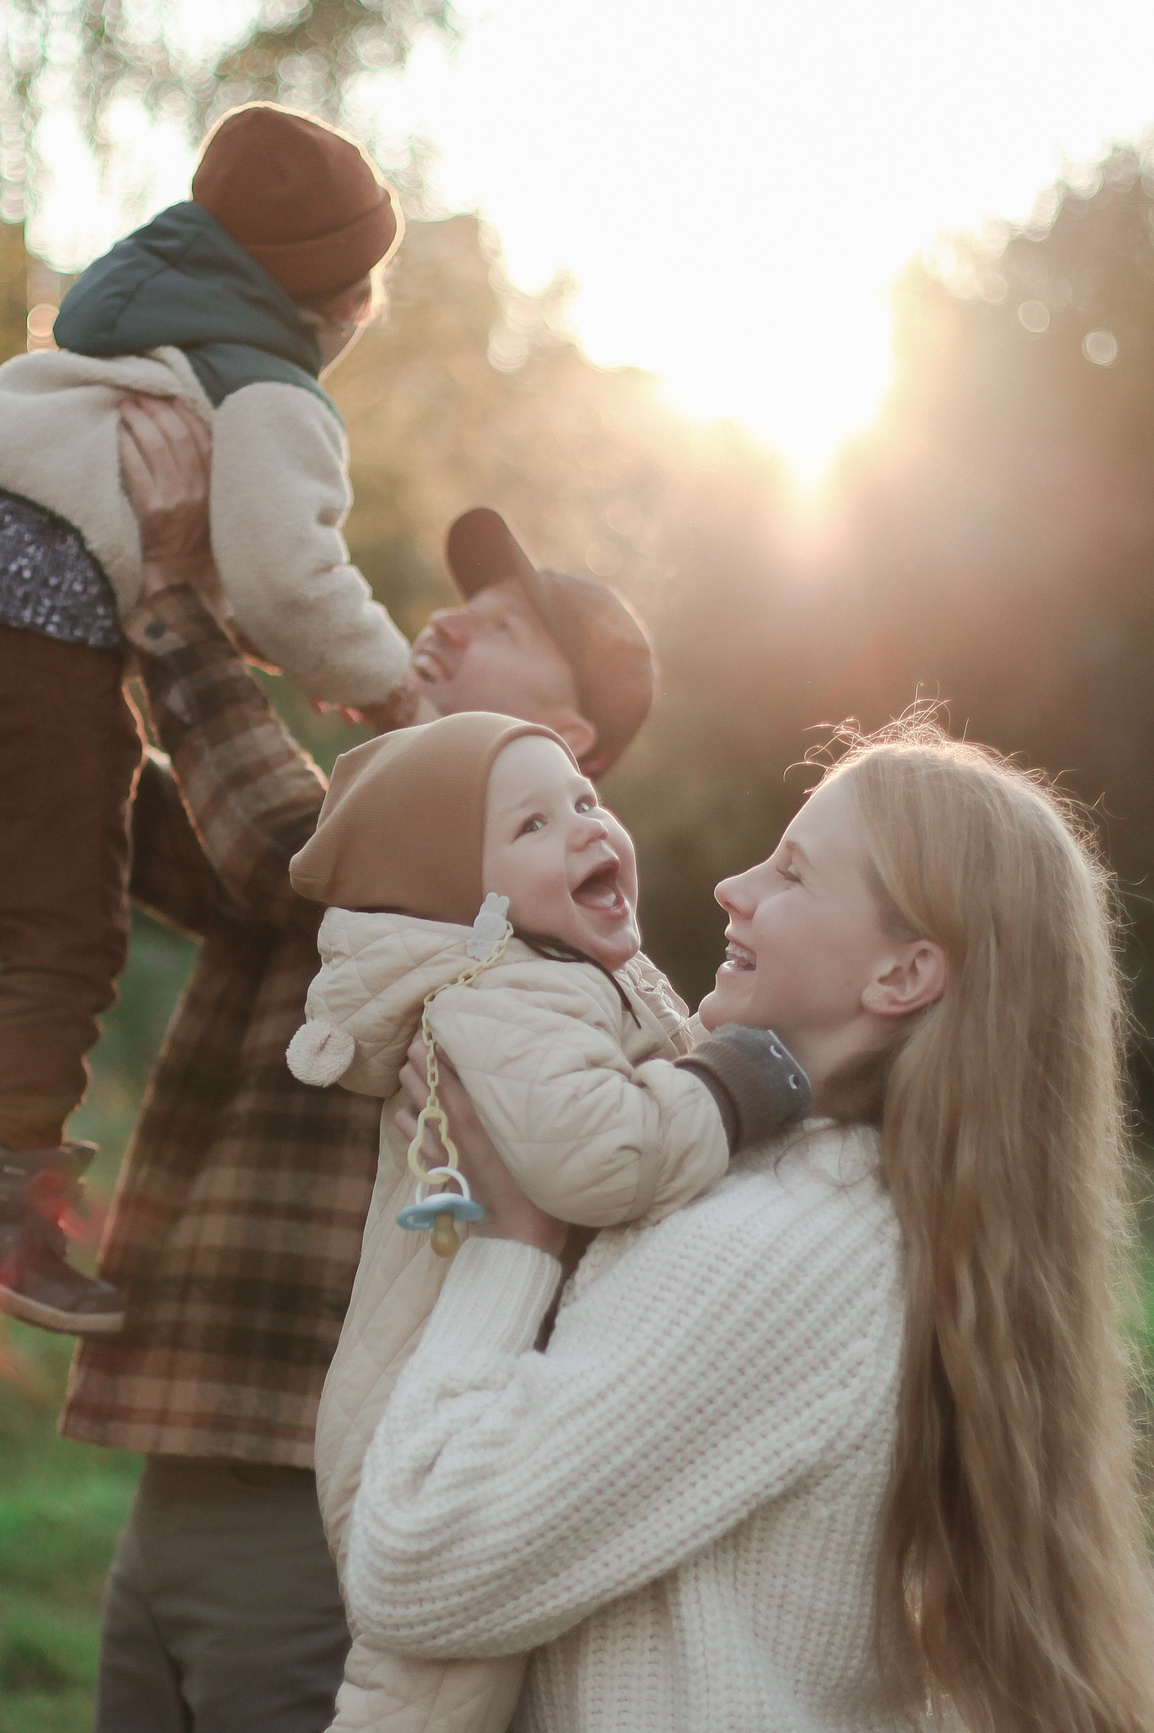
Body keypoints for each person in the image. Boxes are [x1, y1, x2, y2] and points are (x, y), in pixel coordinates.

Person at [344, 721, 1154, 1733]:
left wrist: (510, 1234)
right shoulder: (851, 1215)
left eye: (790, 872)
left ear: (900, 976)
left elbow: (418, 1562)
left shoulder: (774, 1253)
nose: (733, 885)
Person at [59, 395, 659, 1733]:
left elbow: (278, 835)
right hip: (195, 1448)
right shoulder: (370, 857)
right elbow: (157, 834)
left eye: (496, 628)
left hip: (315, 1475)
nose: (439, 625)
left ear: (567, 750)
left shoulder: (524, 898)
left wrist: (169, 598)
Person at [283, 710, 808, 1733]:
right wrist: (730, 1085)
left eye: (583, 799)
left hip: (480, 1386)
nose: (583, 827)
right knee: (427, 1695)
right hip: (416, 1424)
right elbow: (597, 1155)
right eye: (530, 824)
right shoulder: (492, 989)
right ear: (461, 899)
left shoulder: (575, 969)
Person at [0, 102, 410, 1334]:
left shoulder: (118, 335)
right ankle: (12, 1200)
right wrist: (386, 682)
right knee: (61, 912)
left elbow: (176, 532)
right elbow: (292, 572)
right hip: (42, 620)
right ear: (340, 300)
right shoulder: (271, 390)